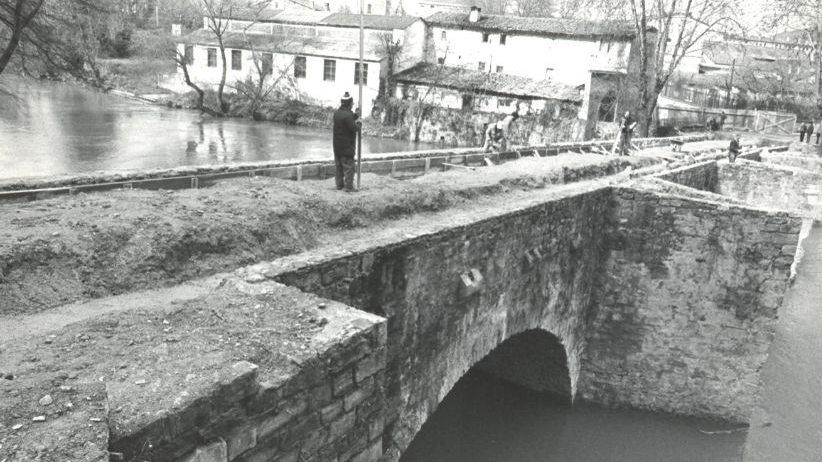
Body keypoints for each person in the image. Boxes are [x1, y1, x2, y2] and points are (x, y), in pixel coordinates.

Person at [332, 91, 361, 192]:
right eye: (352, 103)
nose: (353, 105)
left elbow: (346, 120)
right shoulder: (348, 115)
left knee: (339, 167)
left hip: (337, 146)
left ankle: (339, 185)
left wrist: (355, 116)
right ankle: (348, 187)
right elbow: (353, 128)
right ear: (349, 103)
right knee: (348, 167)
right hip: (346, 147)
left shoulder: (337, 113)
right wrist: (359, 124)